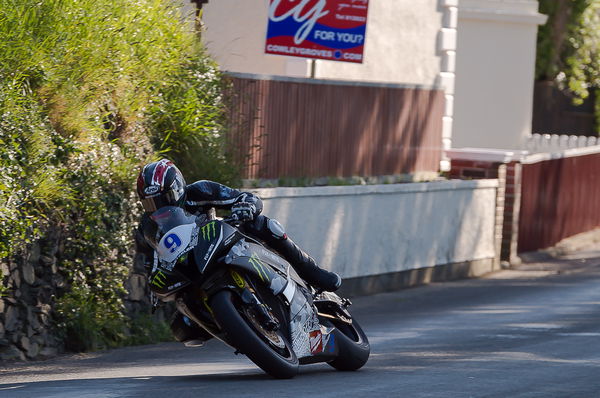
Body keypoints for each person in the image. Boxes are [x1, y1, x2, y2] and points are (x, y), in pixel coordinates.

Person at [135, 159, 342, 345]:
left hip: (219, 242)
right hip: (189, 267)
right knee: (183, 323)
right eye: (151, 203)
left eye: (165, 198)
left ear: (178, 187)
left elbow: (244, 197)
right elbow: (151, 263)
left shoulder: (200, 191)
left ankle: (312, 272)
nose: (159, 207)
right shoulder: (147, 227)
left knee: (263, 224)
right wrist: (155, 282)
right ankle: (234, 327)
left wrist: (245, 206)